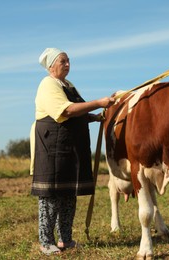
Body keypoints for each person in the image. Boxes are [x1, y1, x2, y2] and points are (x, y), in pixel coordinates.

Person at [29, 47, 115, 256]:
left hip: (69, 145)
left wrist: (94, 116)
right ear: (51, 66)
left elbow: (78, 110)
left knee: (68, 194)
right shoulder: (47, 84)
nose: (68, 65)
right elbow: (66, 110)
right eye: (63, 61)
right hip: (52, 145)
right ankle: (46, 241)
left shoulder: (68, 85)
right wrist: (98, 102)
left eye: (68, 61)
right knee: (51, 195)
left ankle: (65, 240)